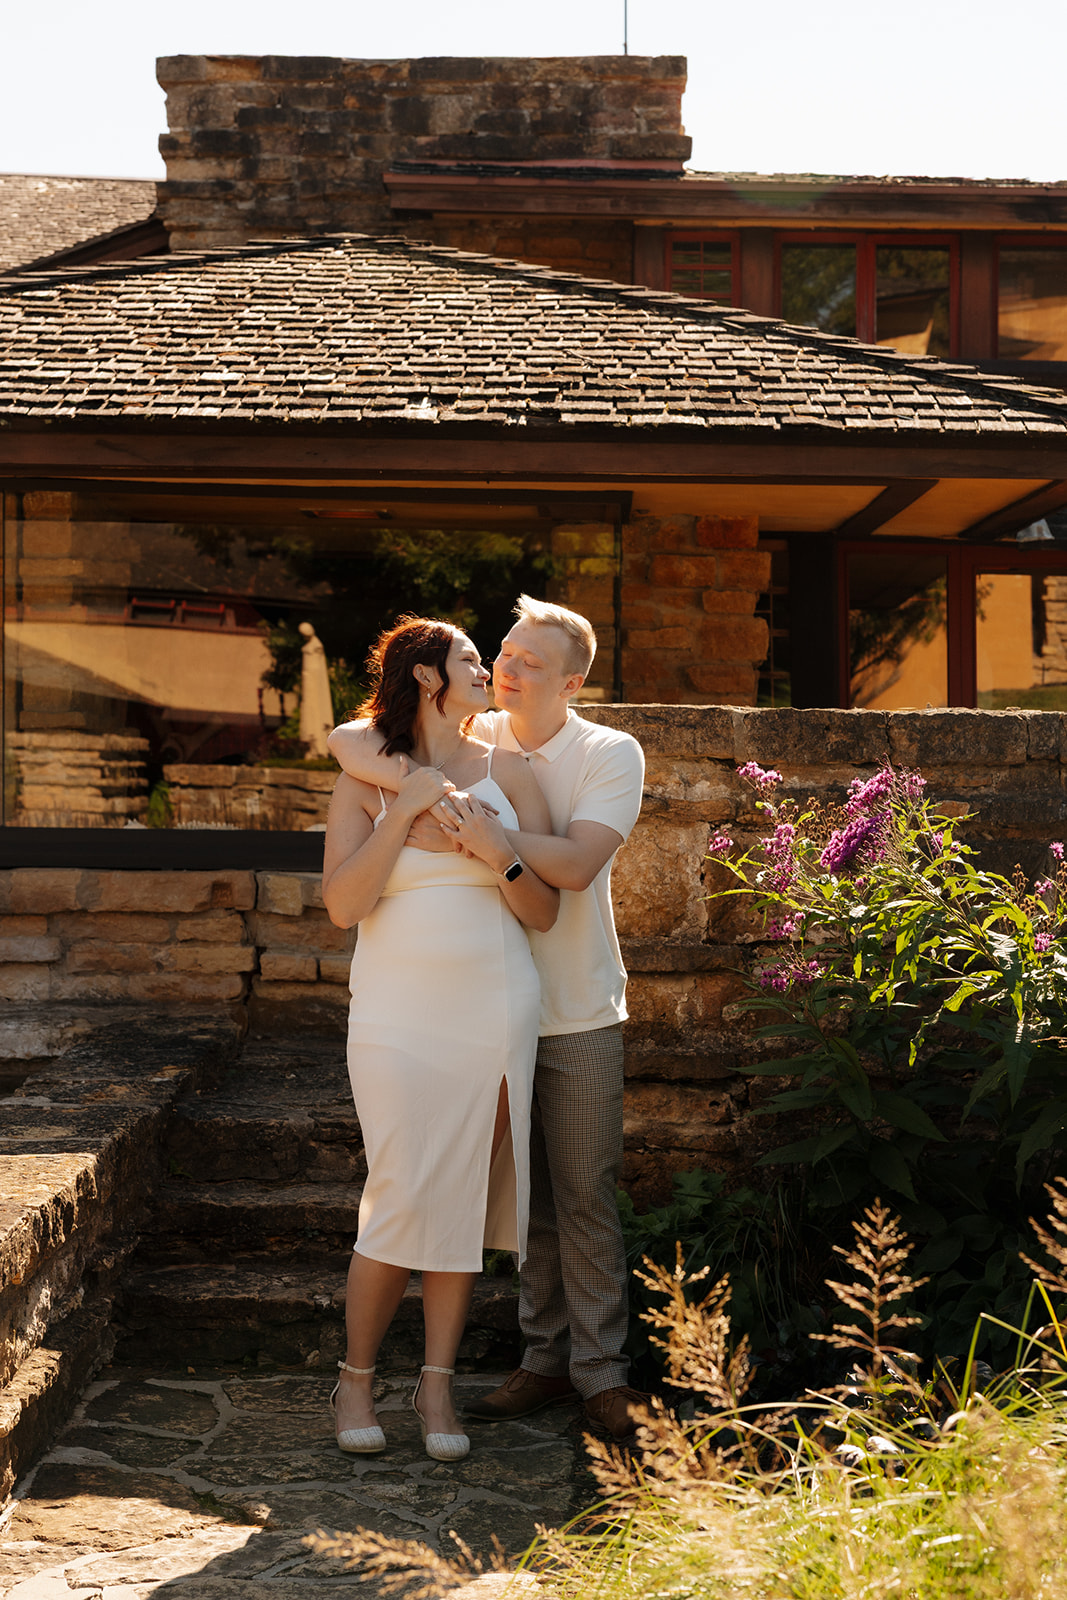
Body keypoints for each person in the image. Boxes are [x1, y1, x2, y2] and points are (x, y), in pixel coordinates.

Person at [328, 595, 646, 1443]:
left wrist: (482, 842)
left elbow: (567, 874)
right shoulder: (456, 751)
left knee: (565, 1192)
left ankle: (587, 1376)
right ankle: (524, 1363)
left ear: (570, 681)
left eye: (522, 661)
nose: (502, 669)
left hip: (562, 1004)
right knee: (451, 1193)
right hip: (426, 1010)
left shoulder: (592, 755)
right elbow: (349, 740)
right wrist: (411, 805)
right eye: (495, 654)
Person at [322, 616, 558, 1462]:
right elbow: (345, 906)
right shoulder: (363, 773)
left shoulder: (510, 773)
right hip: (393, 1012)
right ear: (426, 677)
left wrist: (492, 852)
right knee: (398, 1186)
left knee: (458, 1193)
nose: (485, 668)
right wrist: (405, 813)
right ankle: (354, 1377)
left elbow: (541, 909)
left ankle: (435, 1386)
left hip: (493, 1007)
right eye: (468, 658)